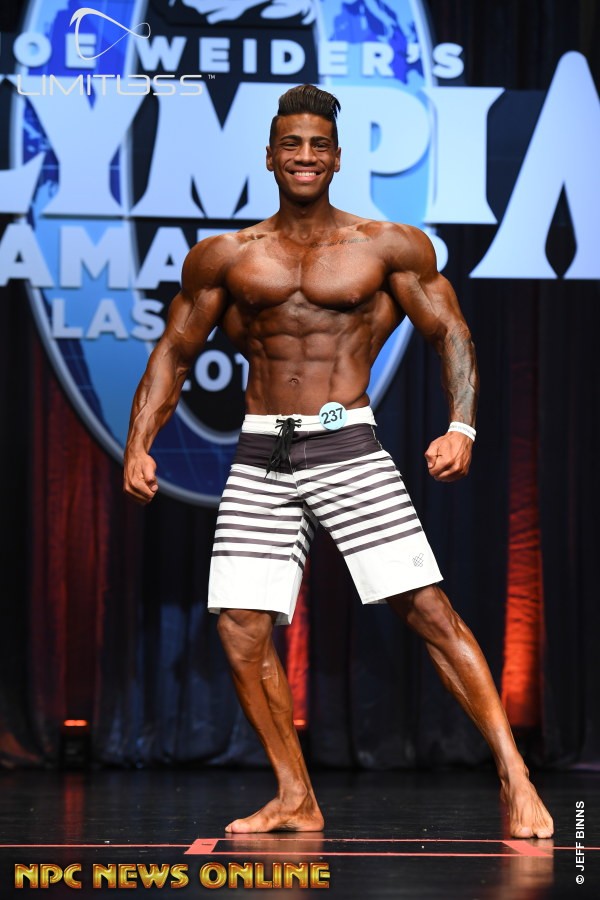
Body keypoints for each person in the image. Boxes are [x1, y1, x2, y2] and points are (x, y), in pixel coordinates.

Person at [124, 84, 553, 839]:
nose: (305, 156)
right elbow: (174, 352)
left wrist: (462, 427)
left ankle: (515, 777)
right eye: (292, 144)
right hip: (262, 451)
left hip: (345, 442)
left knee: (426, 610)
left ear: (337, 157)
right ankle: (296, 796)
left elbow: (450, 332)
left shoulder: (385, 246)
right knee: (240, 629)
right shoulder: (226, 256)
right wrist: (139, 444)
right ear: (270, 156)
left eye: (318, 145)